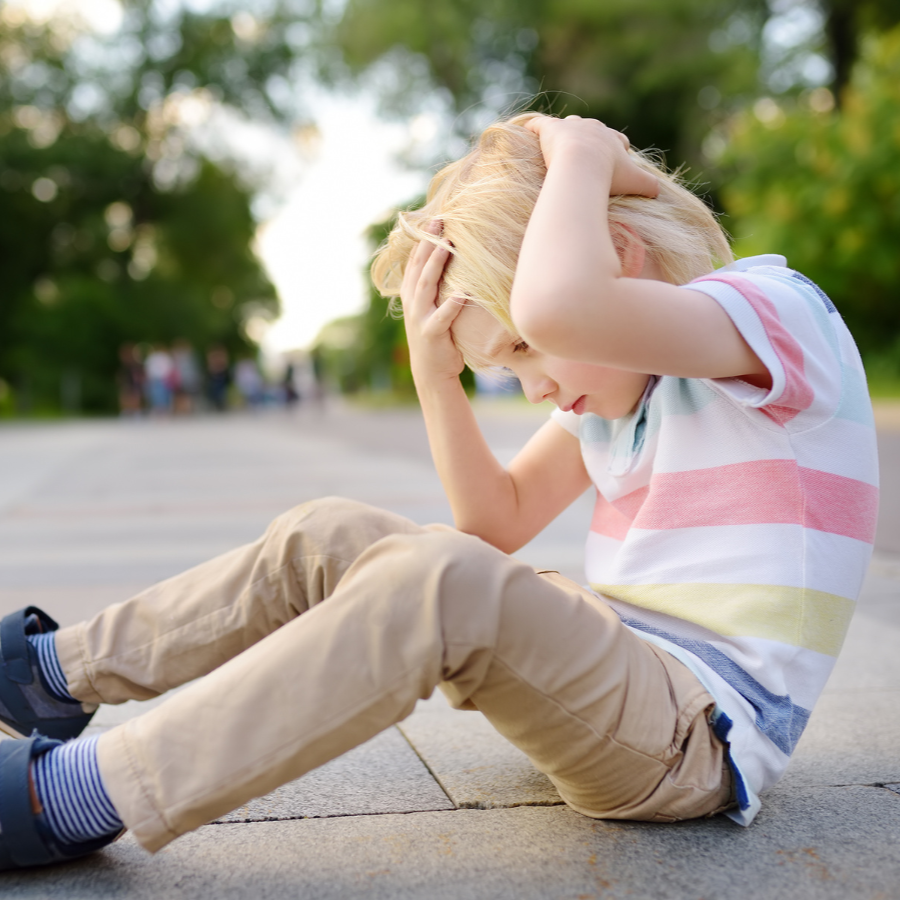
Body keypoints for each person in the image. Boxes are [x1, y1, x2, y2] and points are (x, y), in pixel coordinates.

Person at [0, 113, 877, 869]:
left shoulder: (776, 313)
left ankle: (68, 799)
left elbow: (564, 311)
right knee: (330, 533)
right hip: (619, 683)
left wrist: (581, 153)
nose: (535, 387)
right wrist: (434, 373)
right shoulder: (623, 390)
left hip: (694, 738)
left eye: (523, 348)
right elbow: (493, 520)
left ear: (615, 253)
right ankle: (48, 675)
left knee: (441, 580)